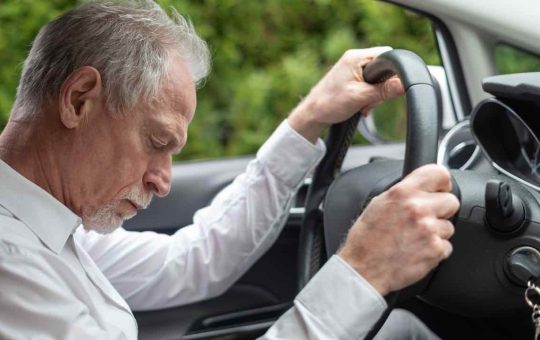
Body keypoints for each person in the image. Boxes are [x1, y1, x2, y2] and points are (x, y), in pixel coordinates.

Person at [0, 1, 459, 339]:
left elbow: (193, 261)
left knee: (402, 329)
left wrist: (310, 119)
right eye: (157, 143)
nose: (163, 181)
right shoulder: (12, 266)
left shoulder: (52, 227)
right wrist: (363, 270)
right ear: (79, 99)